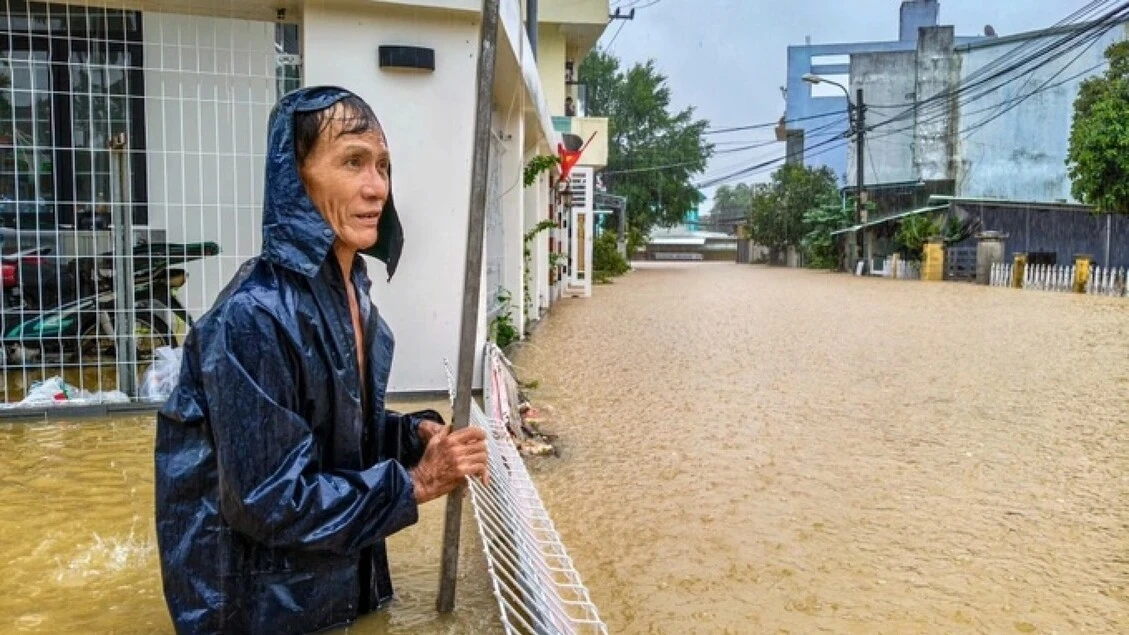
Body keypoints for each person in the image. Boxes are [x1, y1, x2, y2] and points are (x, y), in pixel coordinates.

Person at [154, 85, 489, 635]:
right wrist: (416, 483)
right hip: (255, 613)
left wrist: (411, 436)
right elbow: (269, 500)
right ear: (296, 178)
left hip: (332, 592)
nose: (376, 187)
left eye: (382, 165)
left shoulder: (352, 292)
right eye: (353, 162)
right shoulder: (252, 317)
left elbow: (325, 431)